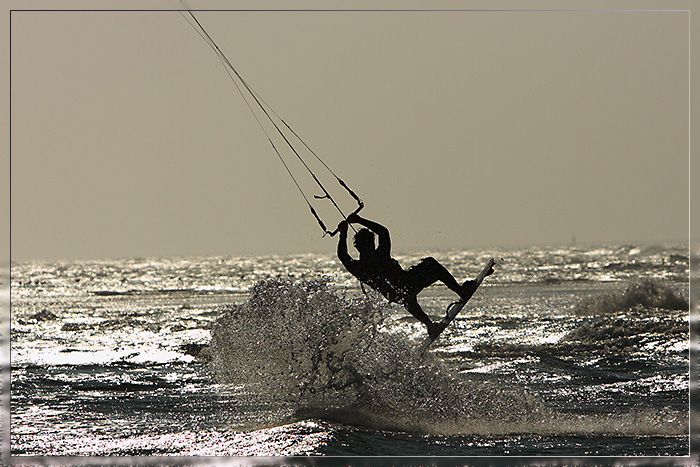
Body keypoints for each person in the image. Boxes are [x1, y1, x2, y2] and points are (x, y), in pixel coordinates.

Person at [336, 213, 493, 339]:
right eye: (370, 243)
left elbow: (343, 255)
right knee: (408, 292)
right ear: (366, 245)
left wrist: (343, 233)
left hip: (402, 288)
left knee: (424, 272)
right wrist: (359, 221)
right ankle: (451, 299)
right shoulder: (376, 257)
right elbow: (382, 232)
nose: (372, 245)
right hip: (401, 289)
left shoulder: (359, 267)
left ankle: (430, 322)